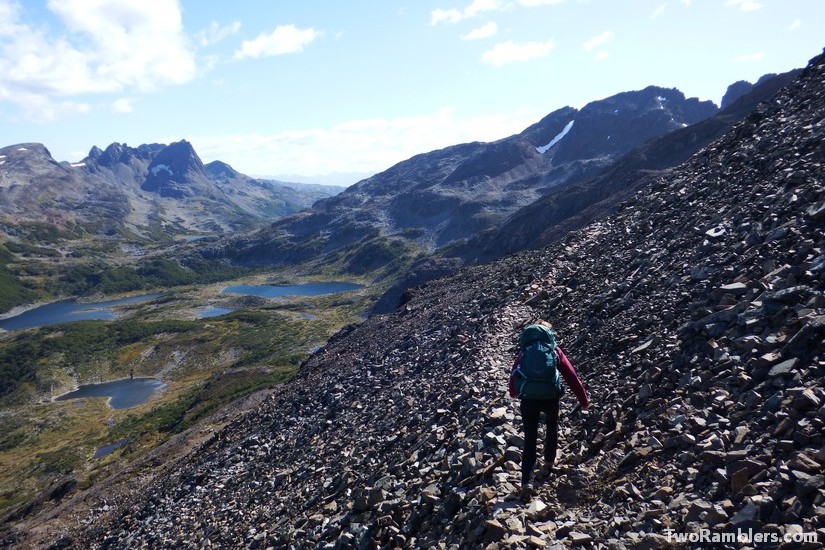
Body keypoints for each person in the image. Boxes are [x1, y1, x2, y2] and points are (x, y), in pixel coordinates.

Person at [508, 319, 589, 500]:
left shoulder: (525, 351)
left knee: (530, 438)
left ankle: (526, 482)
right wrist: (583, 400)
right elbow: (571, 375)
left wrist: (514, 393)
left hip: (528, 398)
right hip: (550, 396)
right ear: (549, 334)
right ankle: (548, 463)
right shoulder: (554, 350)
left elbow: (514, 375)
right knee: (552, 426)